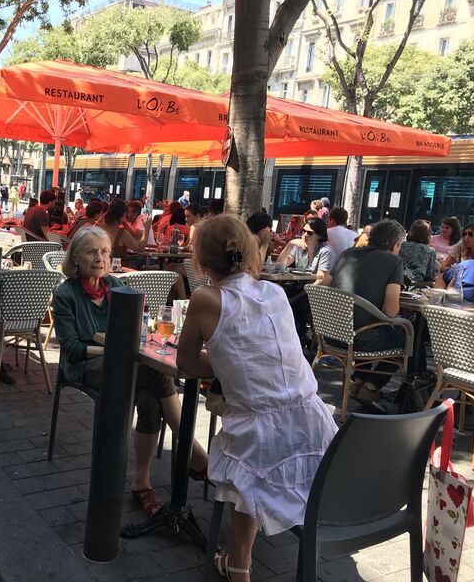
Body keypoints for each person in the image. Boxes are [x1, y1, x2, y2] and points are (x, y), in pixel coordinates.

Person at [176, 215, 337, 577]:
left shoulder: (206, 297)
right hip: (313, 424)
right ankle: (239, 563)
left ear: (200, 262)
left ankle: (240, 564)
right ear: (249, 250)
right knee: (254, 464)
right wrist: (233, 364)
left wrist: (225, 367)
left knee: (247, 472)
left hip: (259, 429)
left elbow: (185, 362)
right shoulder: (274, 292)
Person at [52, 226, 209, 516]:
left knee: (150, 403)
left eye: (104, 251)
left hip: (121, 364)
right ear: (75, 257)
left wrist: (129, 345)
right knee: (158, 373)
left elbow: (140, 329)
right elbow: (72, 349)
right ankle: (195, 454)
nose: (99, 258)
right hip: (84, 366)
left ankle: (141, 482)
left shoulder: (114, 286)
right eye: (91, 252)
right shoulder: (66, 294)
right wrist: (114, 351)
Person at [322, 219, 407, 407]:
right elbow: (390, 312)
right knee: (406, 338)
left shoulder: (347, 253)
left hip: (331, 335)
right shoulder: (394, 262)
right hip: (359, 340)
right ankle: (371, 386)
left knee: (365, 322)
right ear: (395, 245)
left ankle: (359, 381)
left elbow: (324, 286)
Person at [399, 219, 439, 284]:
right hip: (416, 285)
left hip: (397, 281)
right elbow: (430, 275)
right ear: (427, 235)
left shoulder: (400, 245)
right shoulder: (430, 251)